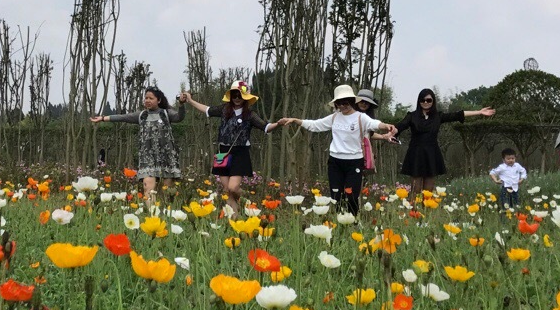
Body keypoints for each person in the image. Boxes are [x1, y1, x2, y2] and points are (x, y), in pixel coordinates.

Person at [279, 84, 397, 214]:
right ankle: (339, 222)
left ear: (352, 102)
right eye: (339, 103)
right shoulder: (335, 117)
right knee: (336, 197)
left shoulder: (360, 117)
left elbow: (373, 124)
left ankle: (352, 221)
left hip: (354, 161)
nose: (342, 106)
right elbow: (315, 125)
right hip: (335, 161)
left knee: (351, 196)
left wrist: (386, 126)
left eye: (345, 103)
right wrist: (296, 120)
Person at [179, 81, 282, 216]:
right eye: (234, 95)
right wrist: (190, 101)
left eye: (240, 95)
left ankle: (246, 199)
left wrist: (279, 124)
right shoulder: (224, 110)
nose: (237, 98)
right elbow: (207, 110)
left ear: (245, 97)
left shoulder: (250, 115)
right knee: (227, 189)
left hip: (240, 153)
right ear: (231, 96)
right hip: (223, 153)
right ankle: (234, 218)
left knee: (233, 188)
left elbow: (266, 127)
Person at [393, 89, 495, 195]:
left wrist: (479, 112)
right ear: (419, 101)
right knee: (415, 190)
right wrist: (393, 131)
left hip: (432, 154)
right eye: (422, 100)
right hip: (416, 154)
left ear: (433, 101)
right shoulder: (412, 116)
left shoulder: (438, 116)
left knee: (428, 192)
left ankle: (427, 210)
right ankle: (413, 211)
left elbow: (458, 115)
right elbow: (400, 126)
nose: (425, 103)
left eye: (429, 100)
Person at [91, 86, 184, 198]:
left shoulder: (166, 114)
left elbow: (179, 117)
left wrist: (181, 104)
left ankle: (166, 213)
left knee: (168, 191)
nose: (147, 101)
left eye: (151, 98)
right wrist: (103, 118)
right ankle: (151, 213)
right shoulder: (142, 115)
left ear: (158, 100)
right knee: (148, 188)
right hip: (148, 157)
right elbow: (123, 117)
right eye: (146, 98)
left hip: (167, 157)